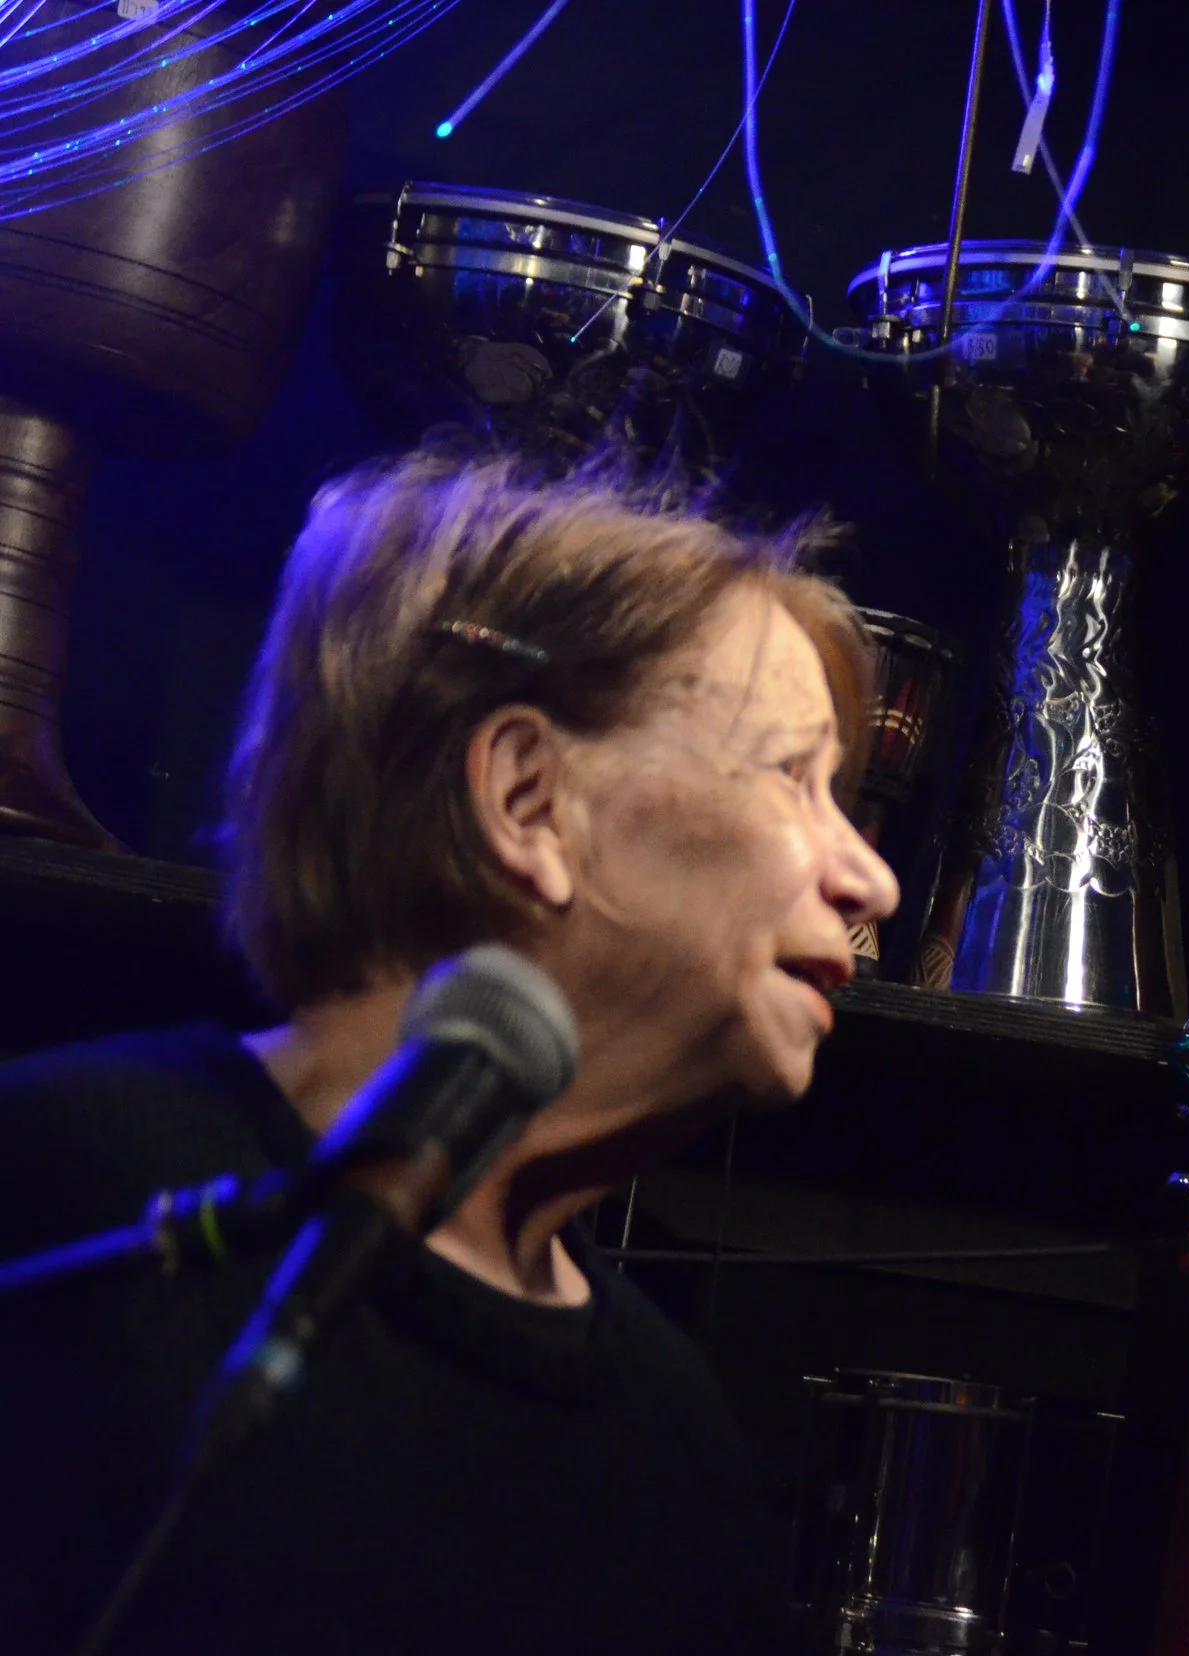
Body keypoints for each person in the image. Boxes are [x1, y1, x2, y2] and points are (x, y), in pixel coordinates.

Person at [0, 452, 899, 1652]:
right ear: (528, 799)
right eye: (795, 776)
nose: (871, 881)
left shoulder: (677, 1449)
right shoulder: (62, 1195)